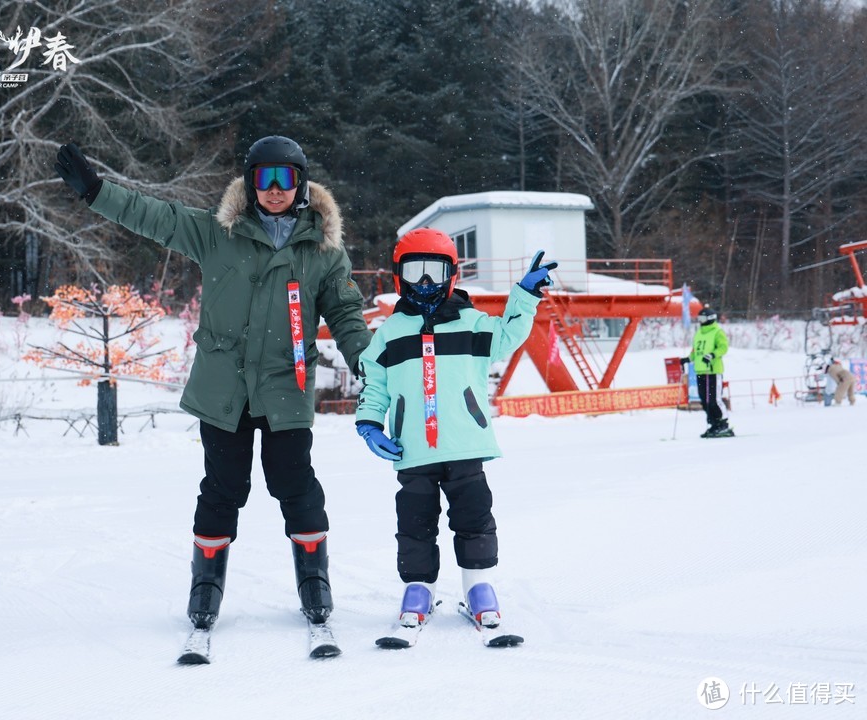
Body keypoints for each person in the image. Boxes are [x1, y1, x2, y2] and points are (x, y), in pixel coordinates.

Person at [55, 136, 372, 631]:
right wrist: (96, 191)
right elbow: (153, 216)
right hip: (224, 387)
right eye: (263, 178)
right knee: (223, 488)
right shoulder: (216, 233)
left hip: (286, 386)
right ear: (249, 182)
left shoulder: (324, 251)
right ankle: (206, 584)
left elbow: (348, 315)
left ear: (301, 184)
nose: (273, 190)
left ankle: (315, 579)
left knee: (296, 484)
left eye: (284, 179)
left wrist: (366, 362)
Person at [354, 228, 555, 631]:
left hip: (465, 445)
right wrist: (370, 423)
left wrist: (525, 296)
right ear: (399, 277)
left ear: (452, 274)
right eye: (416, 272)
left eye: (435, 271)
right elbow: (374, 384)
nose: (425, 282)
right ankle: (418, 588)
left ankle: (478, 585)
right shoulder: (390, 334)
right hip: (412, 449)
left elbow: (509, 335)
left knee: (474, 518)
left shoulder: (473, 323)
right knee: (414, 522)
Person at [680, 306, 732, 438]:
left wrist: (713, 355)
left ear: (710, 318)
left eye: (702, 318)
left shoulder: (717, 332)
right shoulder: (699, 333)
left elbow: (723, 348)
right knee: (704, 400)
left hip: (713, 370)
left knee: (714, 399)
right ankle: (713, 424)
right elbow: (695, 351)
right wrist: (688, 358)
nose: (700, 321)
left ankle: (723, 424)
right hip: (700, 370)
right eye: (699, 318)